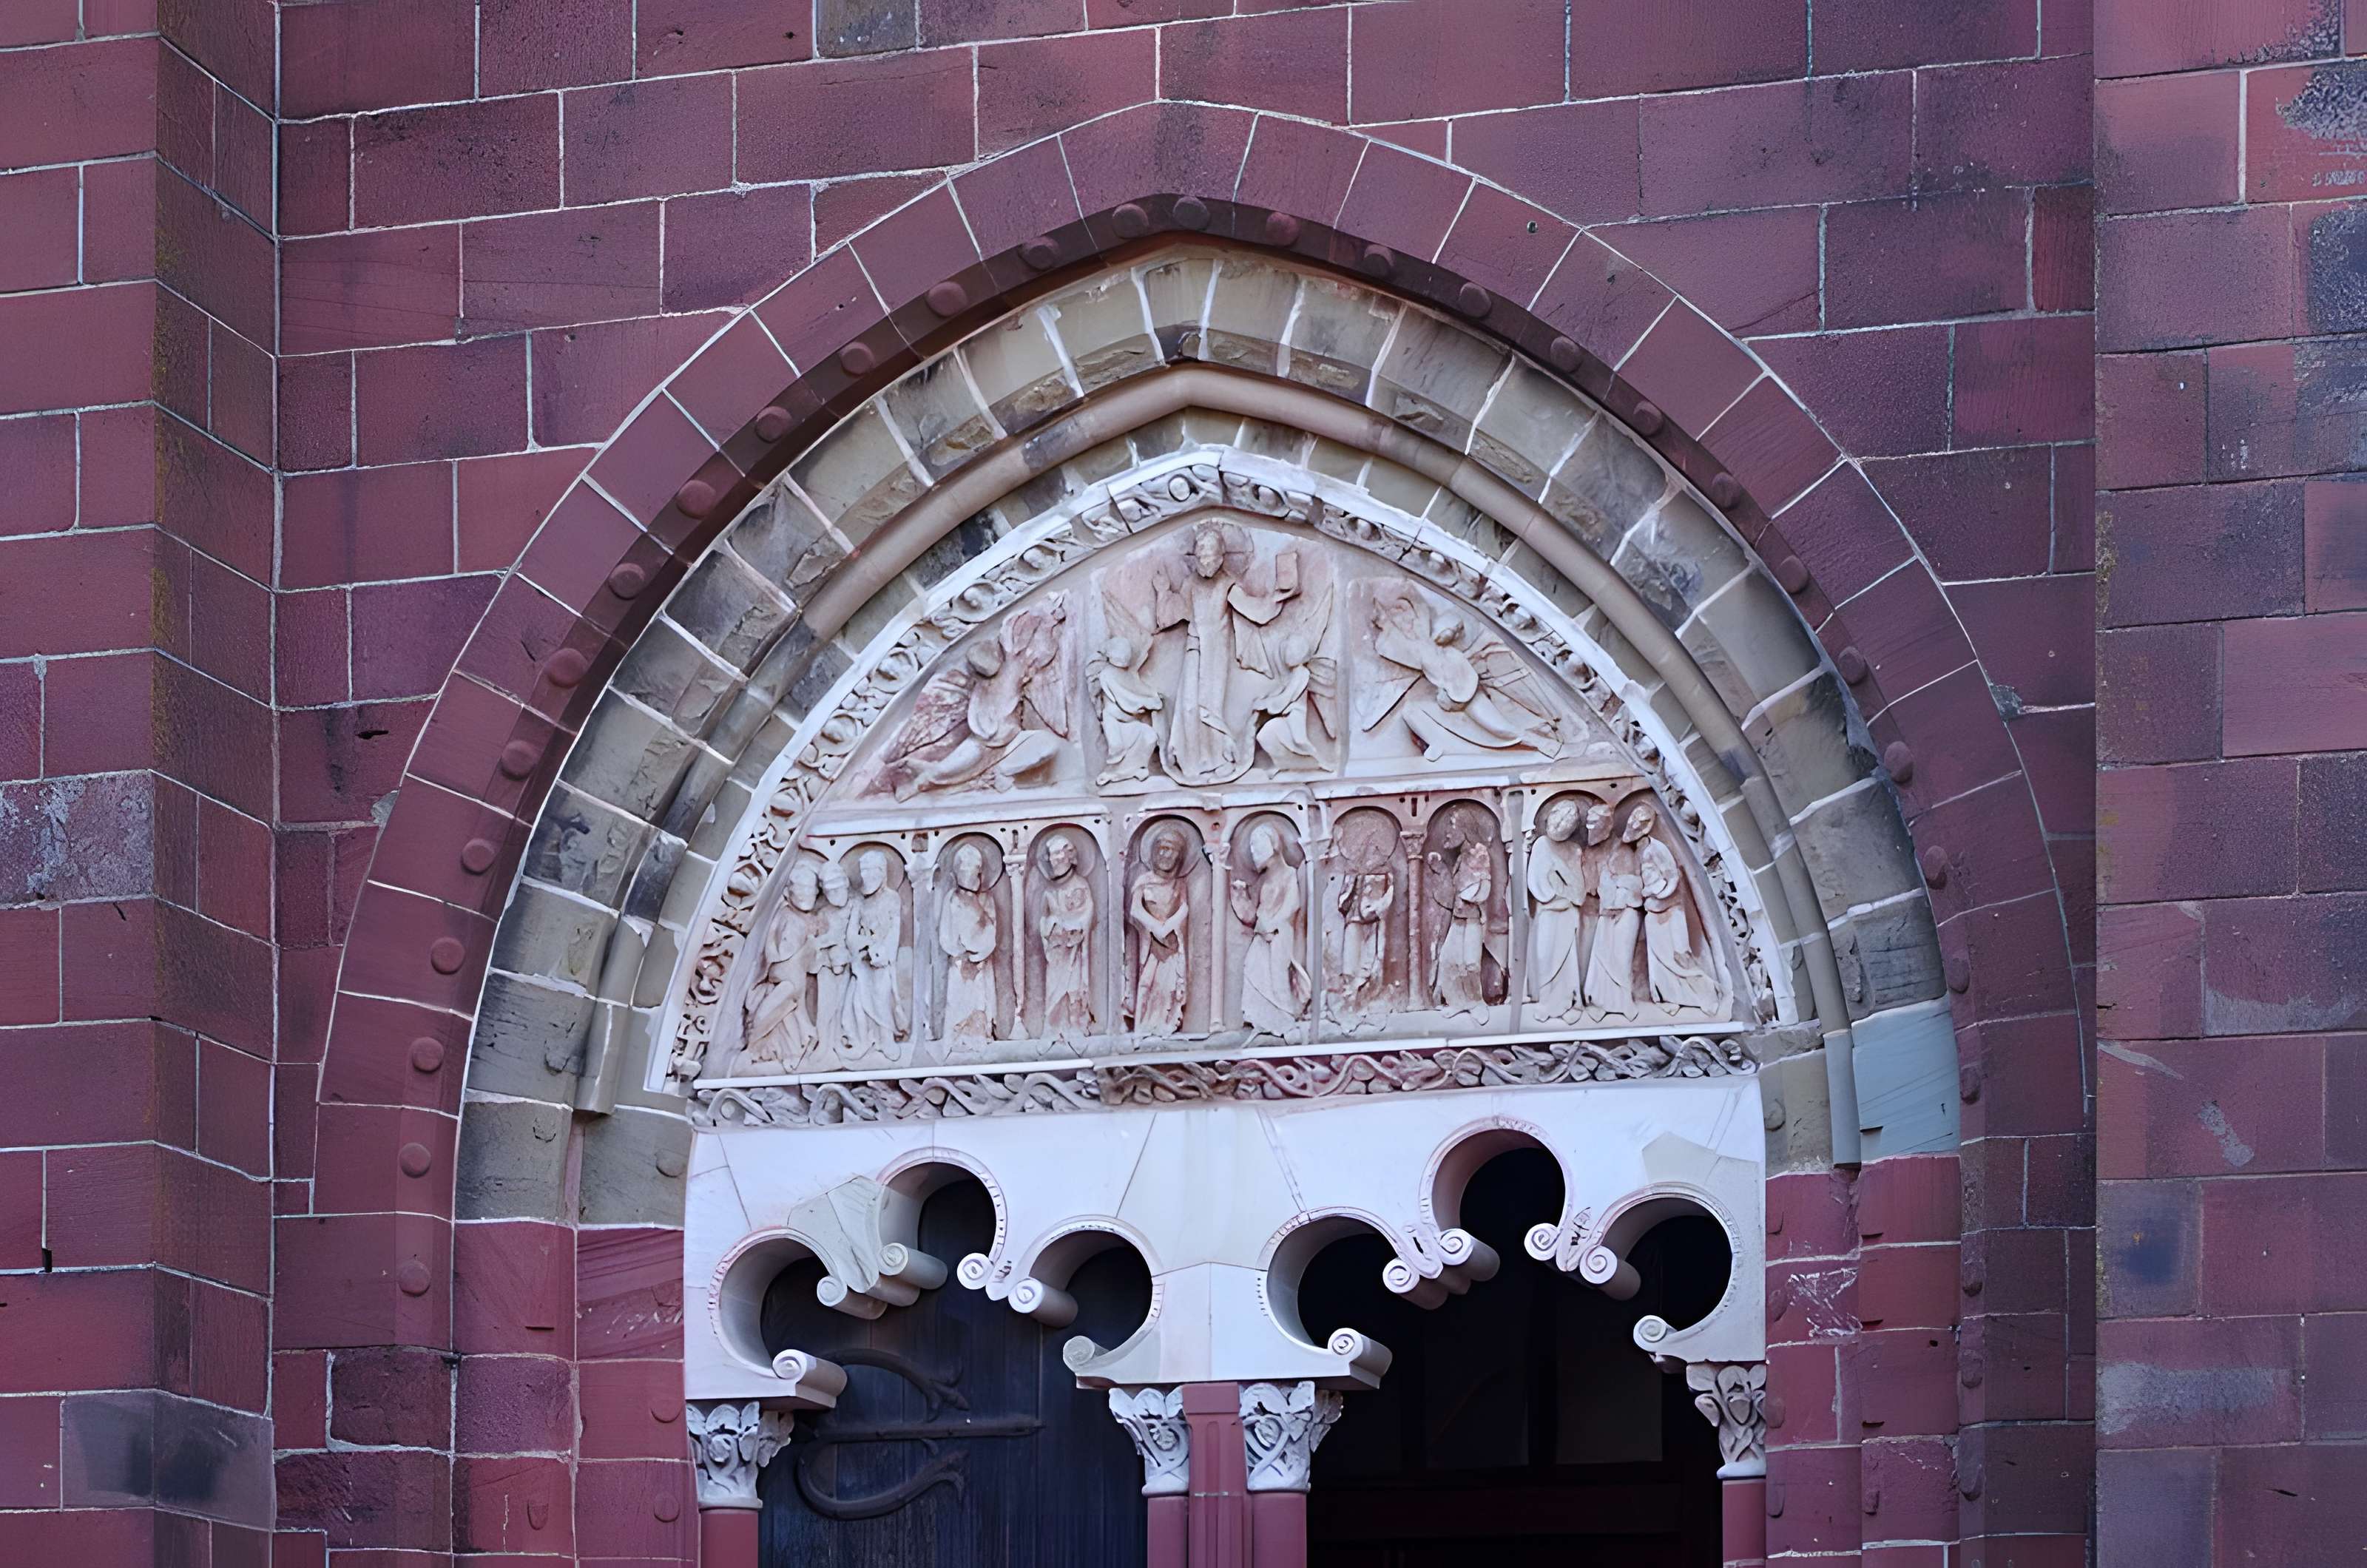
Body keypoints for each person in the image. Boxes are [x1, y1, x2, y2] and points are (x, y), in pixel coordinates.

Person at [1232, 824, 1311, 1038]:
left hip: (1281, 935)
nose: (1253, 853)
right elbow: (1252, 916)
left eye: (1257, 846)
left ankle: (1286, 1018)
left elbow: (1292, 906)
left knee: (1279, 975)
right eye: (1251, 848)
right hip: (1262, 936)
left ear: (1274, 845)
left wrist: (1273, 924)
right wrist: (1239, 896)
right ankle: (1264, 1019)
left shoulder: (1289, 874)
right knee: (1253, 970)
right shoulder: (1263, 881)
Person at [1526, 800, 1588, 1025]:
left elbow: (1579, 893)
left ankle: (1570, 1003)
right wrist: (1561, 891)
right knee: (1545, 955)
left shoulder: (1574, 849)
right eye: (1558, 817)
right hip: (1548, 912)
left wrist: (1559, 871)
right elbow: (1537, 885)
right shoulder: (1541, 845)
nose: (1560, 824)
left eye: (1567, 822)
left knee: (1568, 960)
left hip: (1569, 913)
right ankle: (1547, 1002)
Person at [1128, 828, 1192, 1035]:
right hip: (1151, 943)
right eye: (1162, 849)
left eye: (1171, 850)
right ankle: (1142, 1026)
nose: (1165, 855)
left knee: (1167, 987)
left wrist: (1170, 925)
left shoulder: (1179, 884)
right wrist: (1155, 926)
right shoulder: (1144, 881)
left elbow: (1184, 908)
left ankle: (1164, 1024)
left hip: (1171, 944)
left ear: (1179, 856)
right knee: (1146, 983)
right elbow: (1135, 909)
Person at [1038, 835, 1096, 1035]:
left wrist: (1073, 926)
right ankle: (1054, 1027)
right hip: (1056, 950)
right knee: (1054, 989)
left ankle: (1075, 1025)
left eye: (1057, 854)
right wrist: (1050, 926)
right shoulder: (1049, 891)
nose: (1054, 860)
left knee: (1074, 988)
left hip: (1074, 948)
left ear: (1068, 856)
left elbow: (1087, 914)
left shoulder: (1080, 885)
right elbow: (1043, 920)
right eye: (1051, 856)